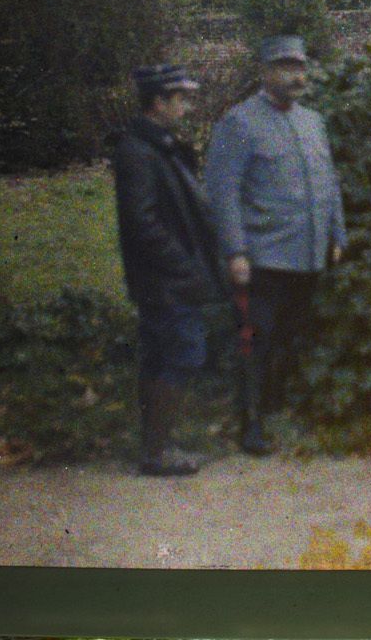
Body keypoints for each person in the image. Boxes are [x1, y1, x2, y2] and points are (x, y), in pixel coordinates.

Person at [203, 35, 346, 455]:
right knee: (256, 341)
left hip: (308, 252)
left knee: (290, 337)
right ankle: (251, 425)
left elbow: (329, 182)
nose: (296, 76)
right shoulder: (239, 123)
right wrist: (235, 251)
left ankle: (276, 409)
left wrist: (338, 234)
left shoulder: (312, 121)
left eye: (300, 67)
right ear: (264, 72)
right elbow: (223, 191)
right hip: (263, 256)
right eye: (285, 67)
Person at [111, 62, 225, 477]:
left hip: (166, 277)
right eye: (180, 98)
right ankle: (157, 452)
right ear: (158, 103)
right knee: (183, 354)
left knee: (163, 356)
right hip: (165, 279)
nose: (187, 106)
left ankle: (154, 445)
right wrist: (184, 265)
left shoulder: (155, 144)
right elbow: (142, 223)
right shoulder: (139, 151)